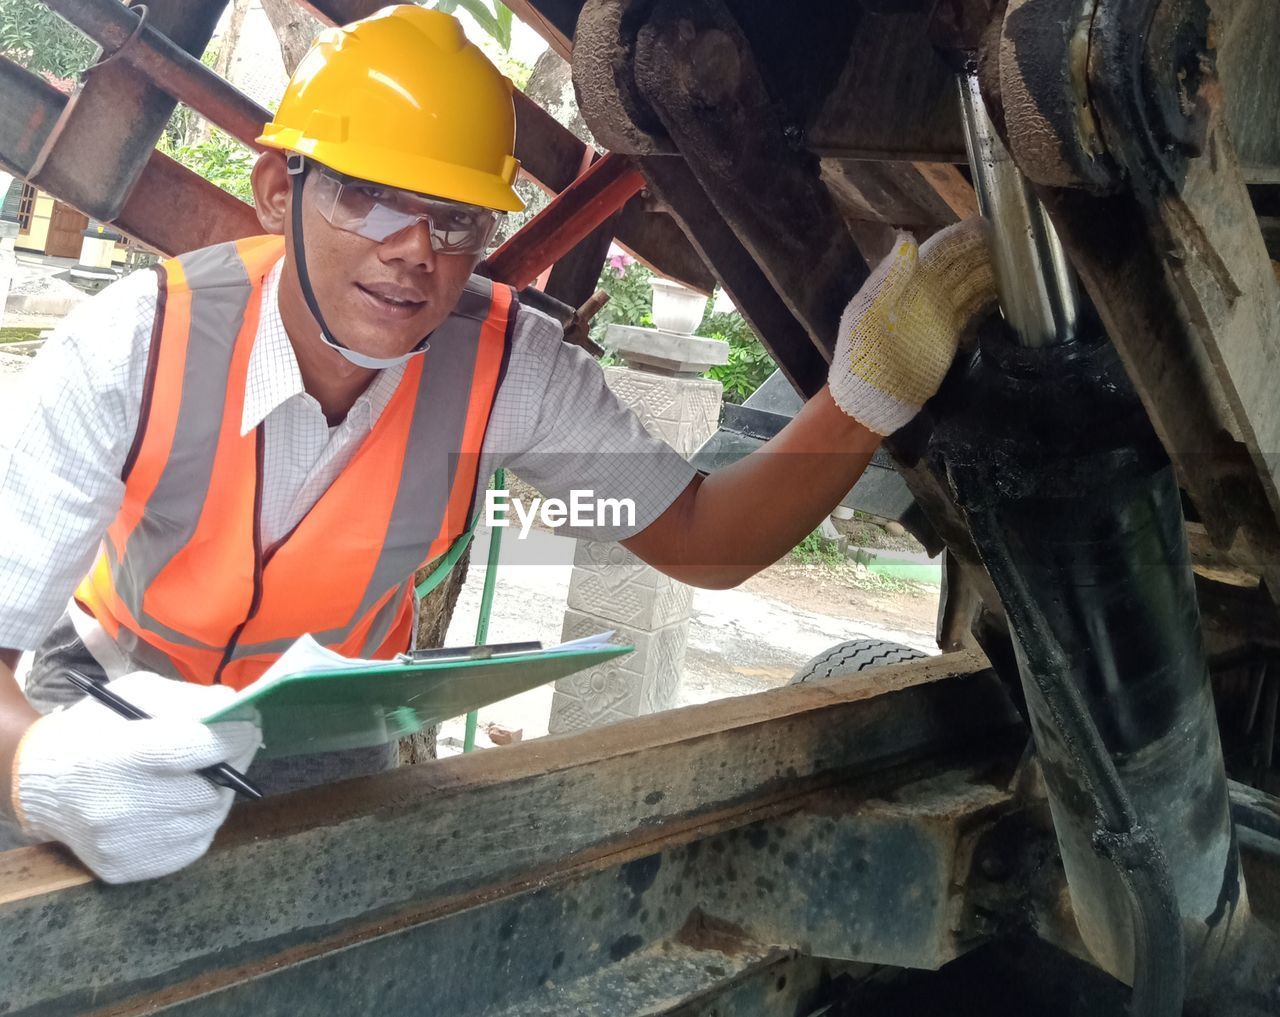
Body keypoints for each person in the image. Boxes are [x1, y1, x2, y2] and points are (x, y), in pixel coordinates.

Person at [0, 6, 995, 883]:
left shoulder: (501, 366)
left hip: (325, 749)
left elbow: (699, 536)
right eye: (368, 196)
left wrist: (861, 397)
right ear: (274, 188)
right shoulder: (138, 344)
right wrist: (38, 769)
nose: (413, 250)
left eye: (453, 219)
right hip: (105, 707)